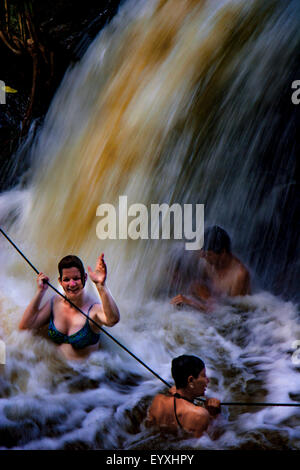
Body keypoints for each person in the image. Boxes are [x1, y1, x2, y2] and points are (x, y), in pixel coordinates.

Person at [19, 253, 120, 360]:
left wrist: (101, 285)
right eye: (66, 280)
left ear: (84, 278)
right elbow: (25, 327)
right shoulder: (55, 303)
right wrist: (40, 292)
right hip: (54, 369)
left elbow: (112, 320)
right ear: (60, 281)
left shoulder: (93, 310)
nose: (72, 284)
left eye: (76, 278)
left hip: (85, 373)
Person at [170, 225, 251, 312]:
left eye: (208, 254)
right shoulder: (208, 259)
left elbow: (231, 314)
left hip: (219, 315)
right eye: (202, 253)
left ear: (223, 252)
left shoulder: (239, 275)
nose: (202, 257)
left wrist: (191, 303)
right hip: (209, 301)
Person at [146, 355, 220, 438]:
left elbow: (148, 429)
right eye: (204, 376)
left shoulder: (158, 400)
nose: (207, 380)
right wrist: (213, 414)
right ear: (191, 380)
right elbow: (211, 441)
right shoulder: (200, 415)